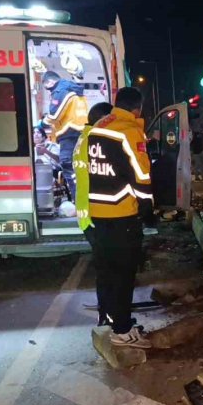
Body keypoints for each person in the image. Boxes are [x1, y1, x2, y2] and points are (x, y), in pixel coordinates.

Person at [85, 87, 155, 348]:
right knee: (124, 274)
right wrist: (147, 207)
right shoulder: (129, 130)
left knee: (108, 271)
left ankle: (115, 320)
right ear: (137, 107)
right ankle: (123, 332)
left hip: (99, 212)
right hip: (122, 212)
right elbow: (141, 175)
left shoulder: (100, 126)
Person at [72, 101, 113, 326]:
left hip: (86, 214)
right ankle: (107, 315)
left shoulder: (83, 138)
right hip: (97, 214)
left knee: (104, 266)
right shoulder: (96, 140)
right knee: (108, 269)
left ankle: (106, 312)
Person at [42, 71, 89, 201]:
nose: (48, 90)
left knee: (68, 164)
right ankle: (82, 198)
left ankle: (78, 200)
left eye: (46, 86)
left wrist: (43, 123)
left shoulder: (60, 90)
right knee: (79, 166)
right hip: (80, 131)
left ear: (50, 82)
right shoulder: (73, 88)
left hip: (69, 132)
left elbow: (54, 114)